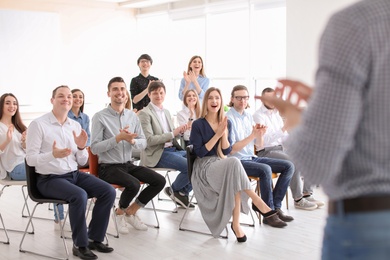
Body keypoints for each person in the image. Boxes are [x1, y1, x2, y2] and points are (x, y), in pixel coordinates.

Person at [258, 0, 390, 258]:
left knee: (290, 164)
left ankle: (294, 200)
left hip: (369, 226)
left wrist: (295, 116)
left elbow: (317, 162)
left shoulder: (357, 23)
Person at [25, 85, 116, 260]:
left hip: (73, 175)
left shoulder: (74, 125)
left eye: (68, 96)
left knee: (108, 191)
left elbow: (82, 162)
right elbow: (30, 159)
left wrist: (82, 147)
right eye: (61, 96)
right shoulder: (38, 124)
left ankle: (94, 238)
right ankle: (80, 245)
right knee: (79, 195)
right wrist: (53, 154)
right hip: (49, 180)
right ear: (52, 100)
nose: (66, 99)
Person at [190, 87, 286, 242]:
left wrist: (224, 134)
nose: (214, 101)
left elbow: (227, 149)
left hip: (222, 162)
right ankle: (259, 203)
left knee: (233, 171)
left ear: (221, 102)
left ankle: (236, 224)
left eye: (217, 98)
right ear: (206, 101)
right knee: (234, 164)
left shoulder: (225, 123)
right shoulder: (198, 124)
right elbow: (200, 153)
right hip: (204, 166)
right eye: (210, 98)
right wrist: (218, 134)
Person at [91, 77, 165, 234]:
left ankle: (131, 211)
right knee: (133, 184)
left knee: (159, 180)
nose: (120, 92)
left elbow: (143, 142)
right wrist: (117, 139)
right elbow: (95, 148)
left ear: (126, 94)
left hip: (127, 164)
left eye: (122, 89)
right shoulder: (100, 117)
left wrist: (132, 142)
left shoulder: (132, 116)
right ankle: (119, 214)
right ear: (108, 93)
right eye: (115, 89)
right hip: (108, 167)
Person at [226, 85, 294, 226]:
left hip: (252, 157)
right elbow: (231, 150)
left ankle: (274, 207)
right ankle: (268, 213)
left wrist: (260, 135)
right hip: (237, 161)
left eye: (245, 97)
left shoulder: (248, 116)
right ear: (232, 99)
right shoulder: (228, 119)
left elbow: (259, 145)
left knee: (289, 166)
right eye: (238, 97)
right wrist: (253, 135)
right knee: (265, 169)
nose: (242, 100)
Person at [253, 87, 323, 210]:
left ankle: (307, 193)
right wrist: (284, 128)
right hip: (266, 151)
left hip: (280, 149)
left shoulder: (276, 115)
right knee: (293, 161)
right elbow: (265, 141)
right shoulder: (258, 116)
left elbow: (284, 137)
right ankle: (298, 199)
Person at [138, 81, 193, 208]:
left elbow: (173, 136)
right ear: (149, 94)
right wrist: (173, 133)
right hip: (157, 153)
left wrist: (180, 132)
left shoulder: (167, 112)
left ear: (165, 94)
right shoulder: (145, 113)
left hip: (172, 149)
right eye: (155, 93)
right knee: (189, 166)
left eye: (161, 92)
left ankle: (182, 193)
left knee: (199, 160)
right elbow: (150, 140)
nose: (158, 95)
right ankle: (174, 190)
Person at [0, 93, 27, 181]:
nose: (12, 106)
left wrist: (24, 143)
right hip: (15, 169)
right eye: (7, 103)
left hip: (26, 161)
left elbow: (27, 150)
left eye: (15, 103)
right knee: (47, 170)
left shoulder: (19, 126)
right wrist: (7, 140)